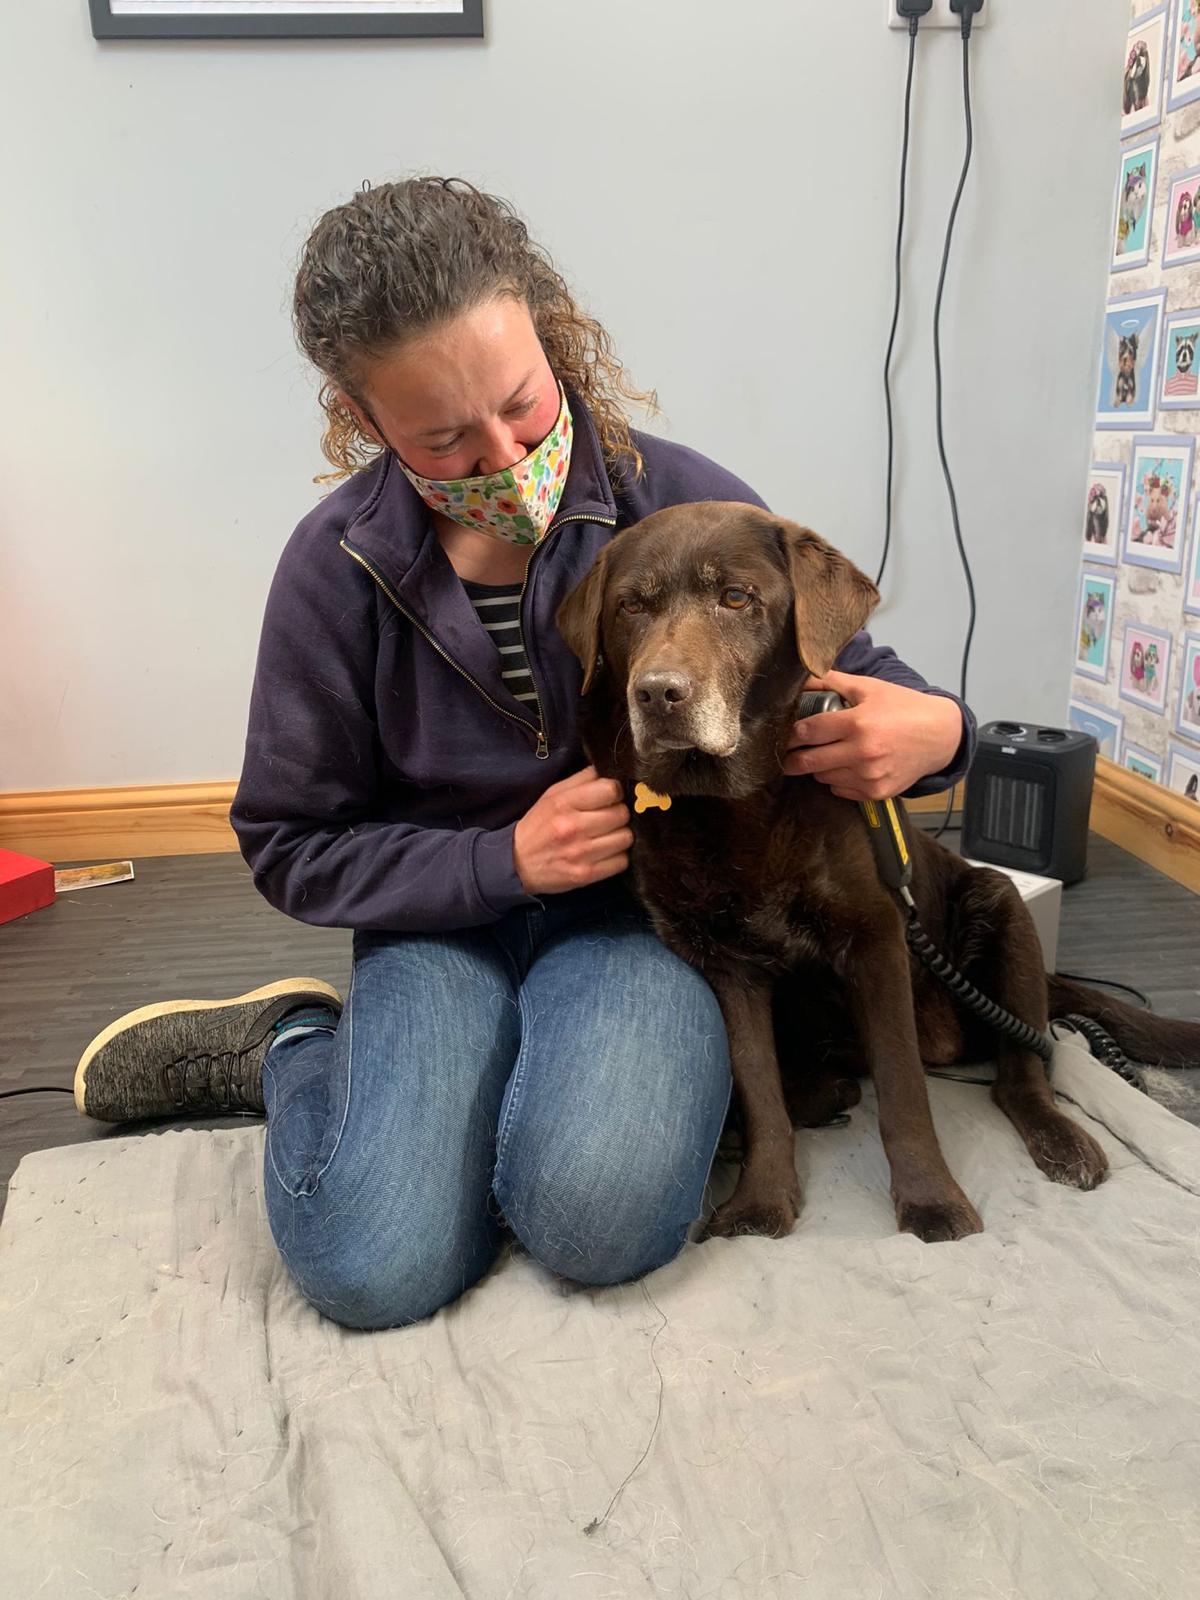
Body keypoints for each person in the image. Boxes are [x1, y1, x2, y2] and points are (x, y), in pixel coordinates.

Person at [74, 178, 976, 1330]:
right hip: (440, 919)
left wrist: (945, 730)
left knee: (601, 1221)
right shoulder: (332, 571)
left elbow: (847, 668)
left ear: (552, 337)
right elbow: (289, 843)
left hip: (641, 921)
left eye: (522, 403)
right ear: (363, 420)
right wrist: (500, 862)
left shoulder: (681, 500)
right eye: (442, 435)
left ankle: (483, 1078)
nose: (501, 453)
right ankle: (295, 1041)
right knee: (372, 1261)